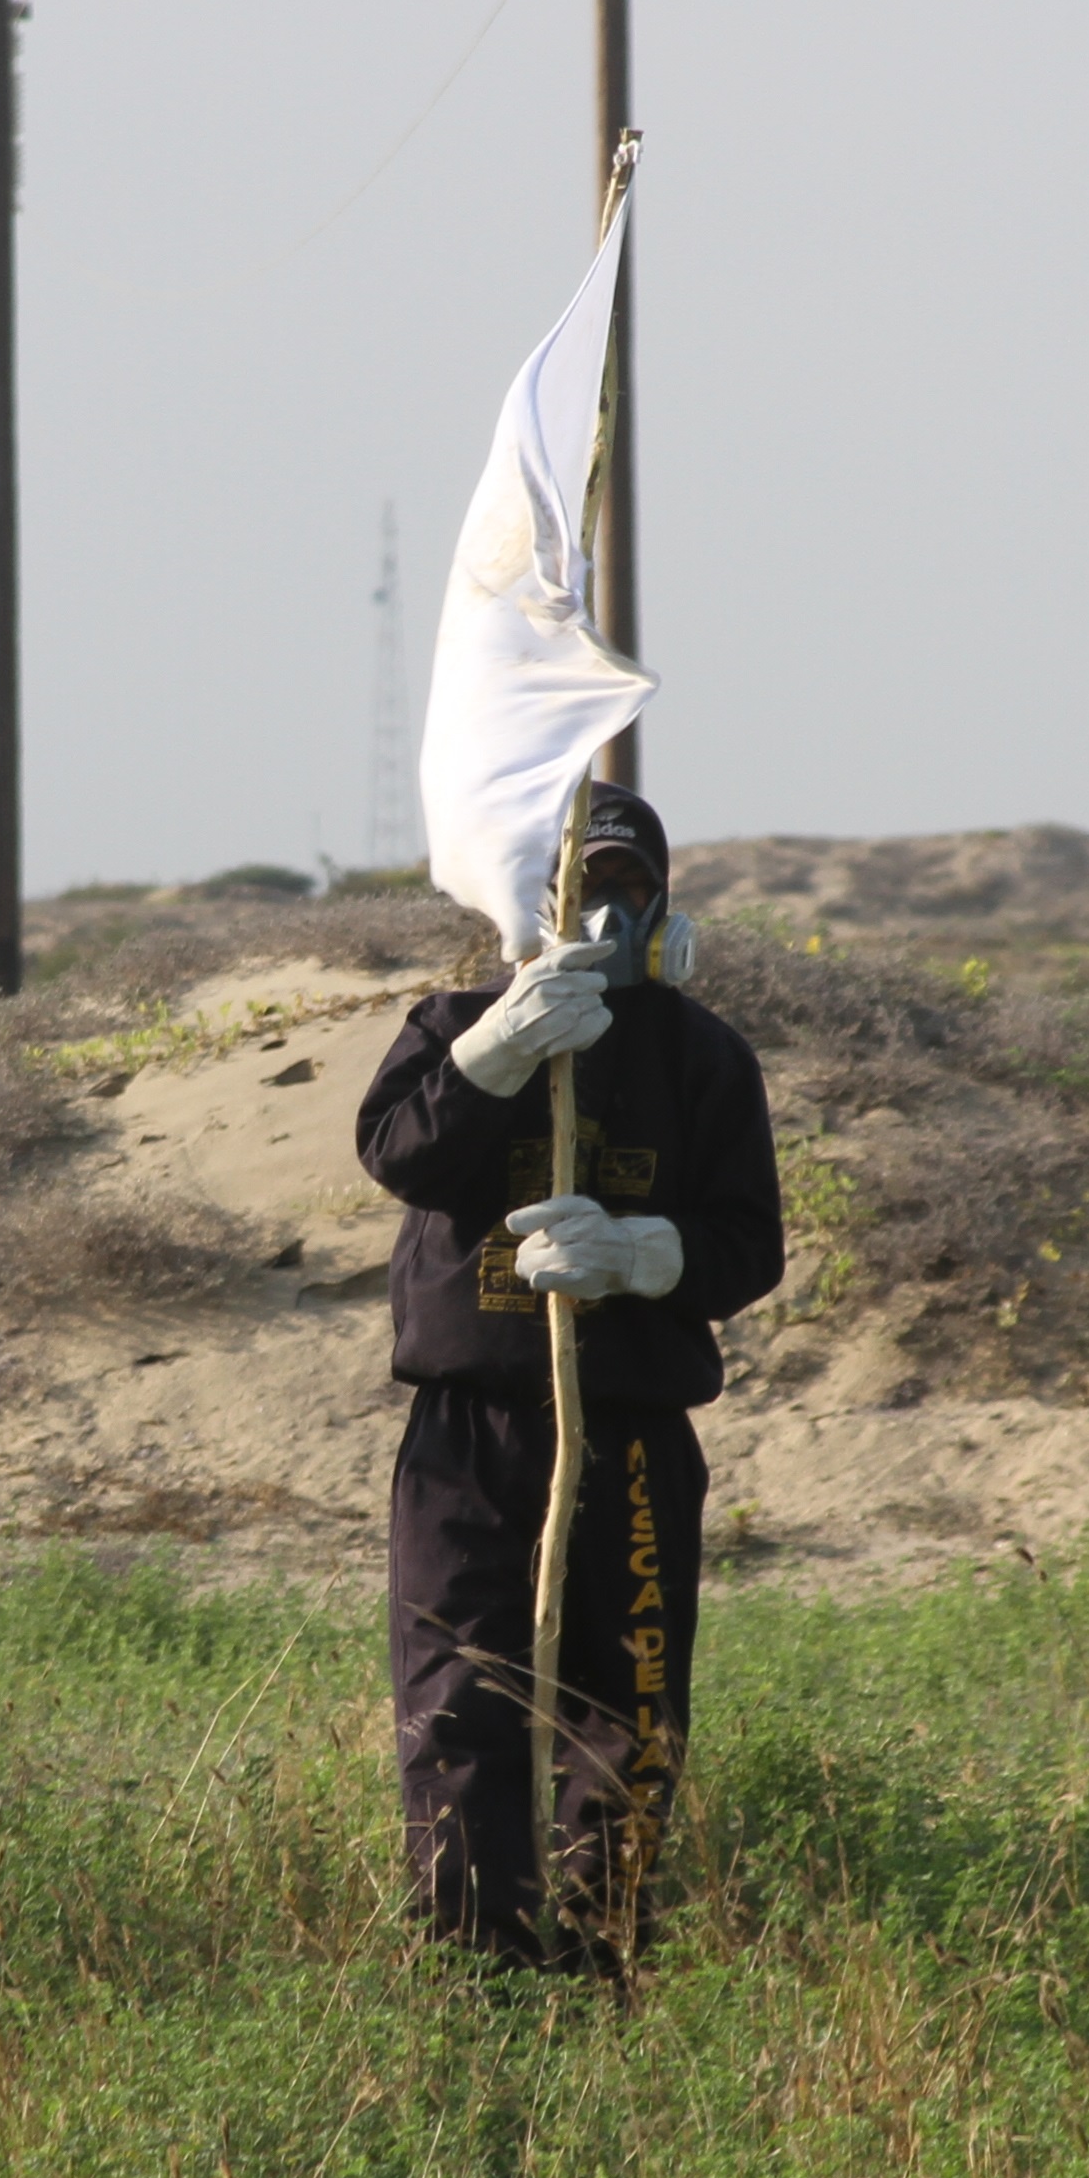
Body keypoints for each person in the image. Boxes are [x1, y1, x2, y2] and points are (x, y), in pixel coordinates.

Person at [352, 783, 783, 1971]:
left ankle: (606, 1966)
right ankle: (472, 1968)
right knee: (457, 1703)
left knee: (630, 1708)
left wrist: (648, 1256)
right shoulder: (457, 1023)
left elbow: (751, 1247)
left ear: (663, 906)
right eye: (582, 888)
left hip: (631, 1430)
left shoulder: (704, 1058)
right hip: (471, 1433)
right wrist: (497, 1052)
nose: (604, 914)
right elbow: (399, 1156)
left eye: (627, 892)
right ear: (535, 899)